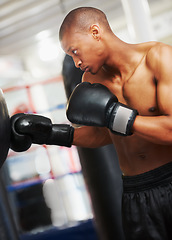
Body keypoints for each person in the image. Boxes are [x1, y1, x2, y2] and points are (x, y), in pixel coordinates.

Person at [10, 6, 172, 240]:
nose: (76, 62)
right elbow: (105, 133)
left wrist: (116, 115)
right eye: (70, 56)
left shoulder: (158, 58)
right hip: (136, 194)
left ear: (95, 32)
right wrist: (51, 134)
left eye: (75, 51)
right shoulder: (91, 80)